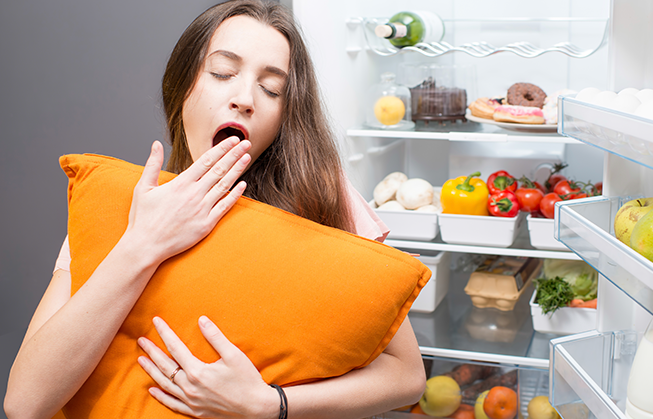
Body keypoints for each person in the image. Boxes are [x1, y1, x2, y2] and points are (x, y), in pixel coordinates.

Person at [4, 1, 427, 418]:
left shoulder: (323, 195)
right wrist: (142, 244)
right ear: (182, 84)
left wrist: (270, 405)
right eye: (223, 72)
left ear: (284, 114)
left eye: (271, 88)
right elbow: (25, 404)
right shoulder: (118, 205)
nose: (245, 98)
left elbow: (407, 377)